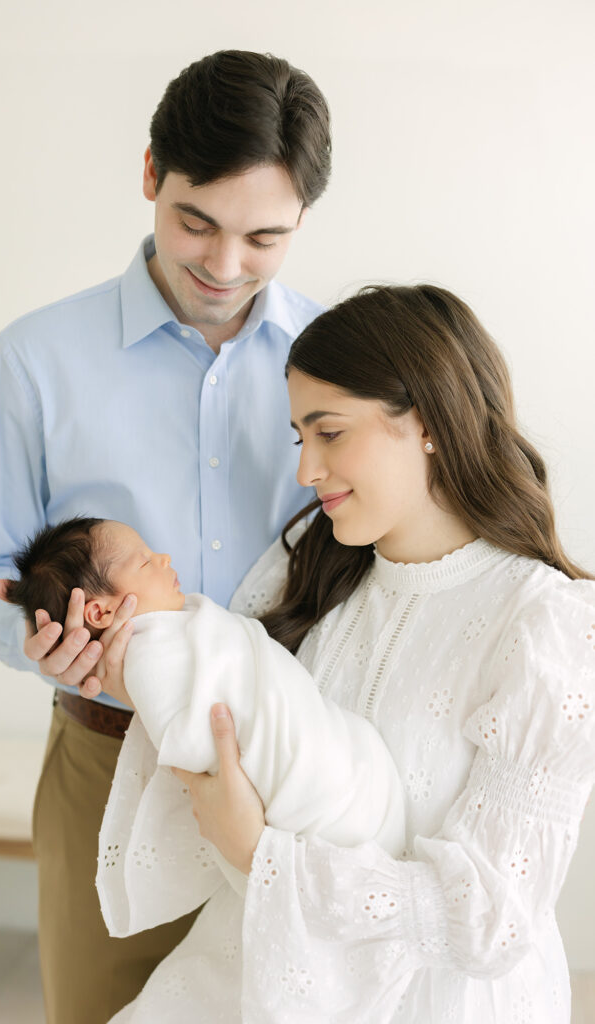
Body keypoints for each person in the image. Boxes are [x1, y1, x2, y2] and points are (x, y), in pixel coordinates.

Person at [0, 50, 332, 1024]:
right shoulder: (37, 359)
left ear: (300, 225)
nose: (223, 264)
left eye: (265, 238)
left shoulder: (334, 362)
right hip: (100, 758)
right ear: (151, 173)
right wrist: (47, 646)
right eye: (196, 220)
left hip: (288, 764)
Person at [93, 284, 595, 1023]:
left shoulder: (545, 625)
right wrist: (141, 674)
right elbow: (231, 741)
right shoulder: (305, 575)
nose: (306, 471)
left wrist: (262, 853)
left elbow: (493, 919)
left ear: (426, 421)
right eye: (301, 438)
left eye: (328, 433)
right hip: (257, 979)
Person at [1, 514, 405, 903]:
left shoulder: (174, 627)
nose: (164, 559)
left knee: (338, 750)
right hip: (268, 766)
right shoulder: (144, 659)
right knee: (326, 781)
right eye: (144, 560)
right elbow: (187, 740)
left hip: (308, 719)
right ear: (101, 611)